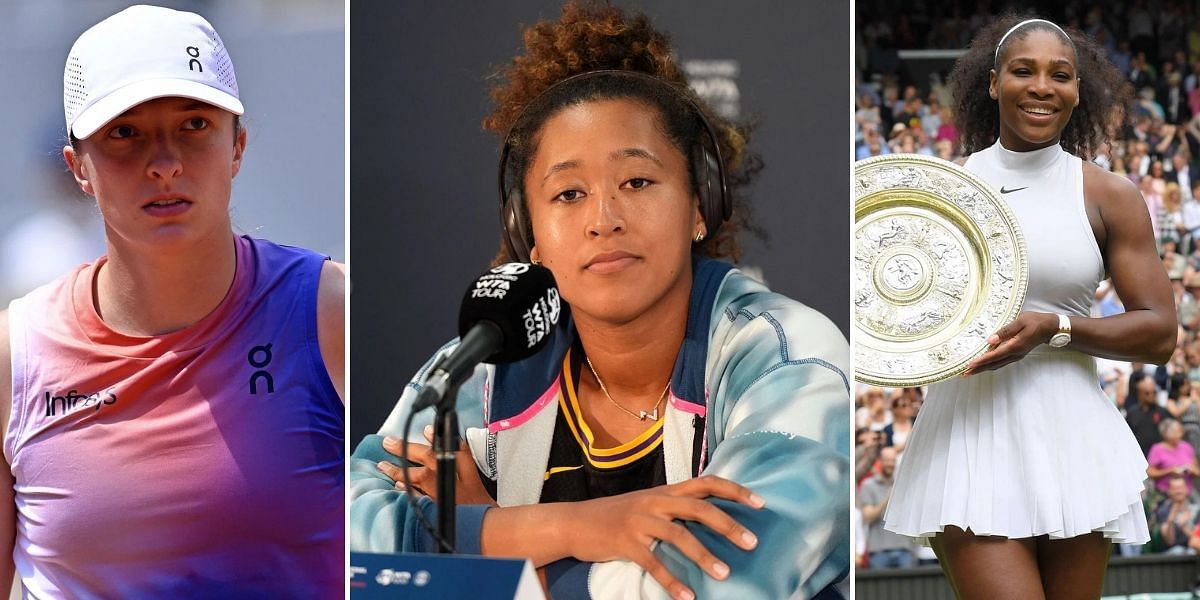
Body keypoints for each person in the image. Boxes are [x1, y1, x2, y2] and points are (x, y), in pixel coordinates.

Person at [348, 3, 849, 599]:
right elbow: (350, 558)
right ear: (526, 233)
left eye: (636, 182)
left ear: (700, 204)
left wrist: (482, 542)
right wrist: (571, 526)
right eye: (568, 193)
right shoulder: (480, 365)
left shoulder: (786, 357)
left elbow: (716, 584)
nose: (603, 219)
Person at [0, 6, 345, 596]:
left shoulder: (330, 312)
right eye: (125, 134)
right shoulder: (15, 354)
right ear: (78, 167)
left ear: (237, 145)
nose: (164, 164)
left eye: (193, 125)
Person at [882, 16, 1176, 599]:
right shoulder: (938, 188)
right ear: (992, 84)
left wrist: (1055, 328)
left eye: (1059, 75)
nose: (1042, 86)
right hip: (967, 437)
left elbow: (1160, 332)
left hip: (1073, 437)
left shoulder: (1108, 194)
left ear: (1076, 92)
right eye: (1023, 70)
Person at [858, 447, 917, 569]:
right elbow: (868, 517)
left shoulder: (904, 484)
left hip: (904, 548)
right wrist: (887, 499)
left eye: (893, 460)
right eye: (887, 460)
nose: (890, 464)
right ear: (880, 461)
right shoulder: (869, 485)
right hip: (879, 550)